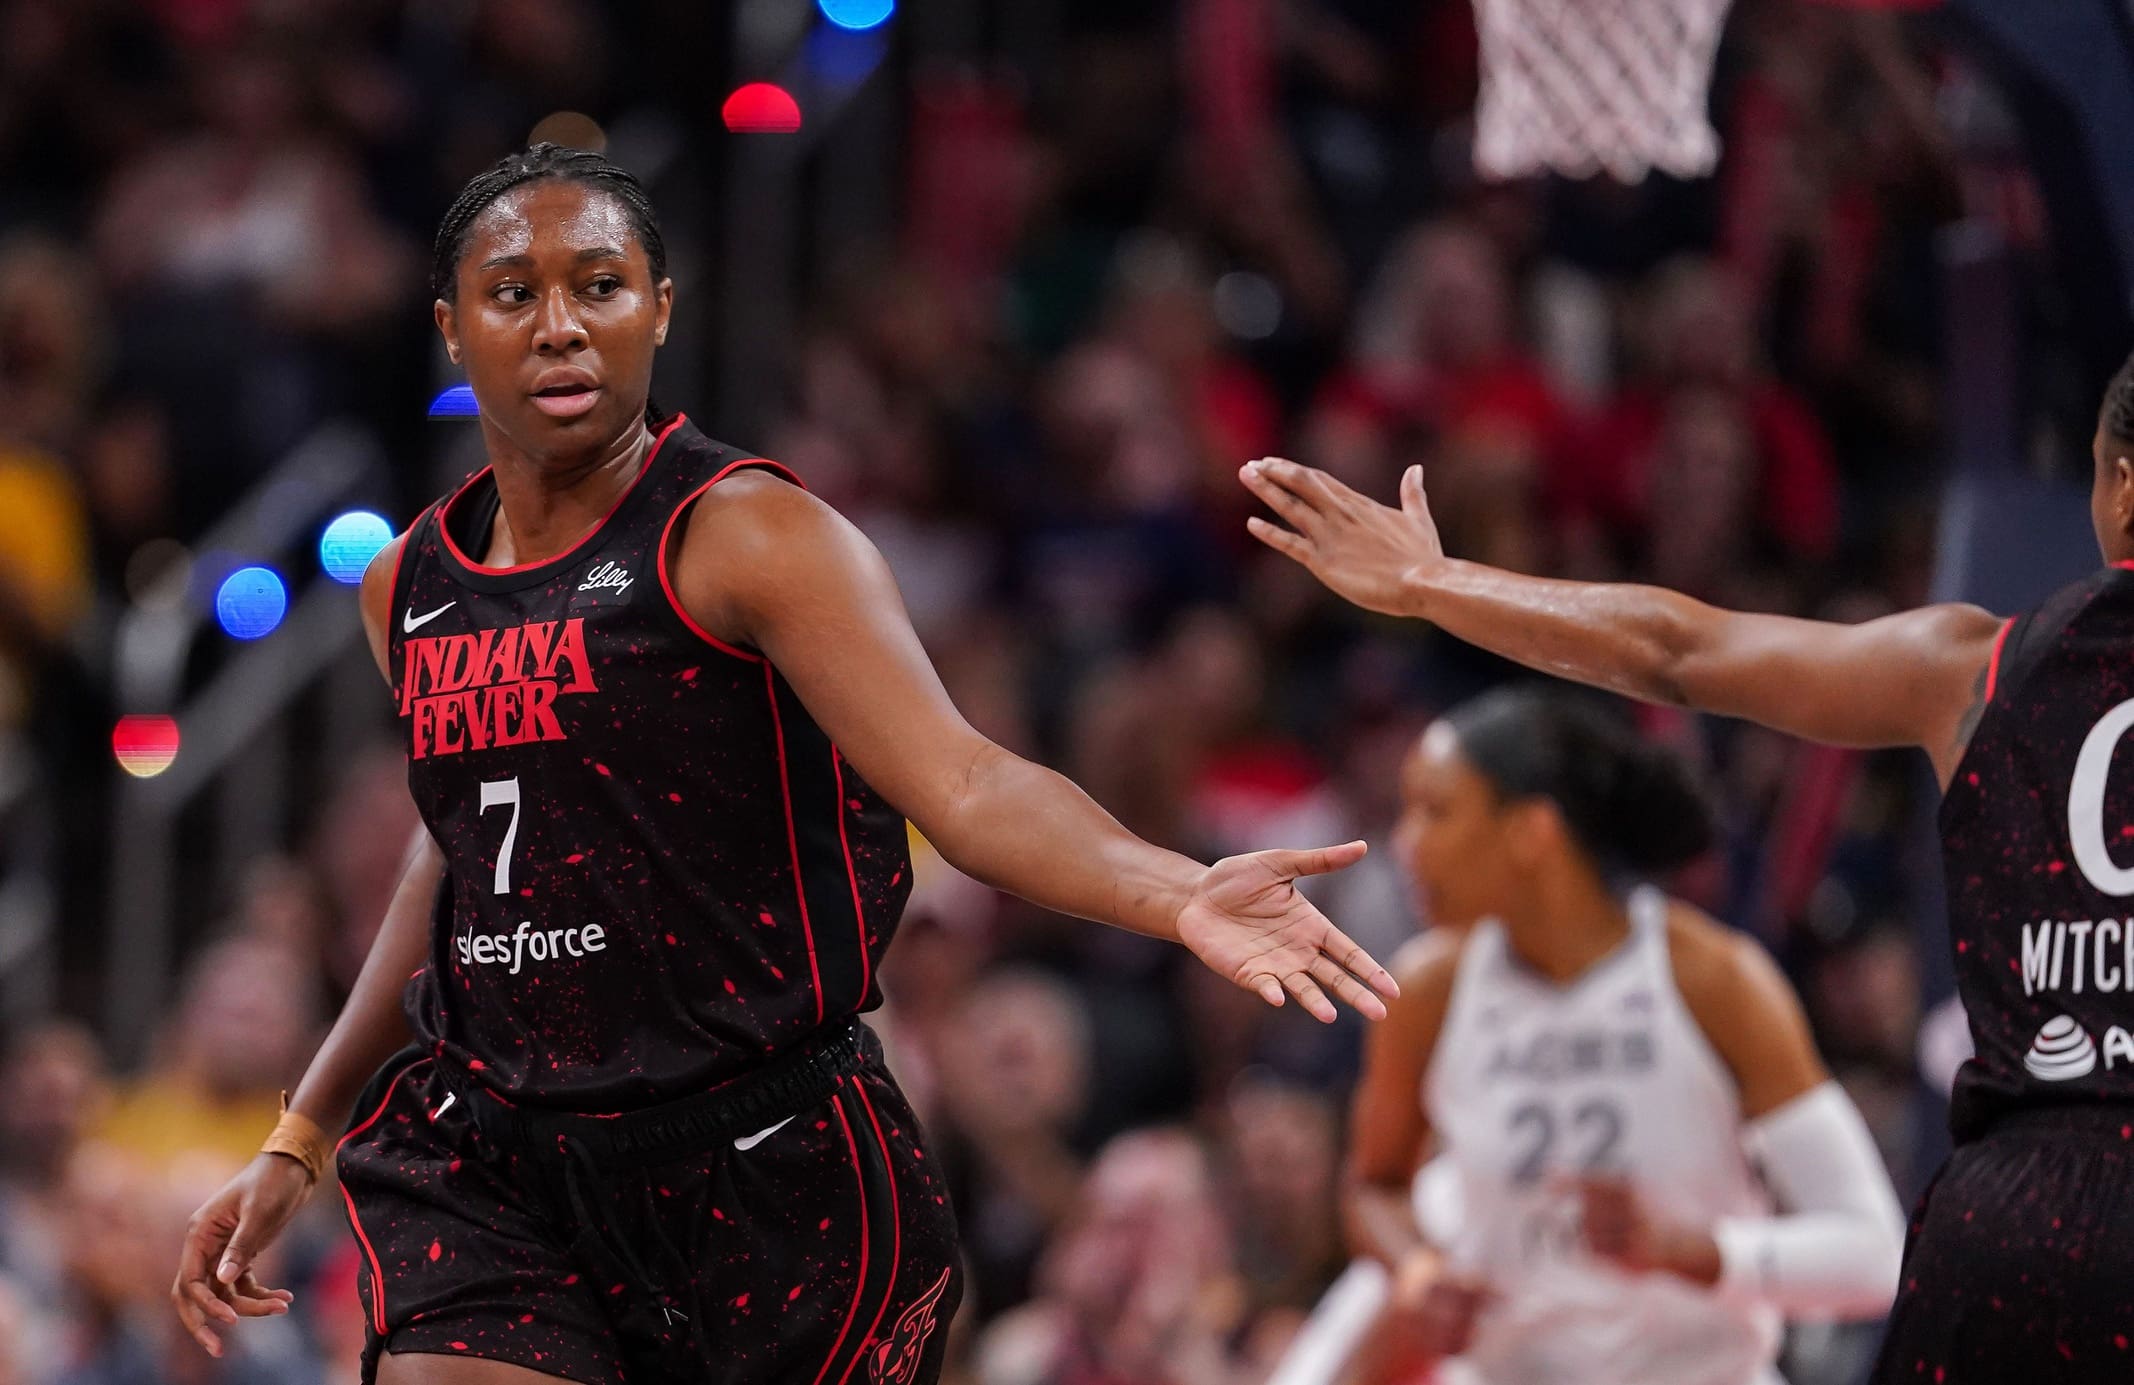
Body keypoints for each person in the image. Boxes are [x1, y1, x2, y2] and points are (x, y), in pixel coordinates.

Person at [169, 143, 1399, 1385]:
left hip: (767, 1159)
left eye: (599, 285)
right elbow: (459, 855)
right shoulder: (408, 583)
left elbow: (964, 782)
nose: (559, 327)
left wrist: (1176, 890)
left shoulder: (748, 532)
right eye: (511, 293)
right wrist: (304, 1127)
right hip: (503, 1157)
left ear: (659, 307)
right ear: (449, 327)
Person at [1238, 349, 2134, 1382]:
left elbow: (1678, 650)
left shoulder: (1972, 666)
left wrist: (1432, 582)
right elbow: (1377, 1196)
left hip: (2016, 1221)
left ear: (2115, 489)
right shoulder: (1441, 985)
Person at [1327, 689, 1901, 1385]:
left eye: (1436, 811)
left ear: (1532, 830)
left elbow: (1875, 1256)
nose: (1406, 843)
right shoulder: (1427, 992)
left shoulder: (1711, 979)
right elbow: (1373, 1187)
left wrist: (1687, 1250)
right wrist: (1418, 1269)